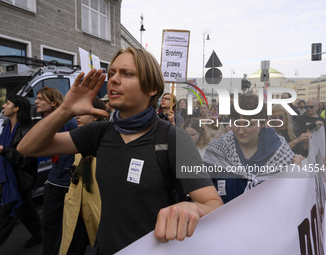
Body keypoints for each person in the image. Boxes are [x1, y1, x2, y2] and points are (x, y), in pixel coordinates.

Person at [17, 47, 223, 255]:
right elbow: (28, 147)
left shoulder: (174, 138)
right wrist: (65, 110)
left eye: (127, 74)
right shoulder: (100, 132)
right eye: (112, 72)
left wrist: (193, 208)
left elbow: (214, 204)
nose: (113, 79)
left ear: (151, 88)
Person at [204, 94, 301, 204]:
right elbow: (203, 193)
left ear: (263, 123)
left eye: (249, 124)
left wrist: (296, 167)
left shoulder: (281, 152)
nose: (240, 131)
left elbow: (291, 195)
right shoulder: (216, 150)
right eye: (236, 123)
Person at [0, 95, 41, 254]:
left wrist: (5, 150)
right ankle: (38, 235)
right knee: (26, 211)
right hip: (13, 179)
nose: (3, 106)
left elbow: (27, 160)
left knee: (4, 220)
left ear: (16, 109)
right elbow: (10, 148)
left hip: (19, 182)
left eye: (7, 103)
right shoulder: (7, 126)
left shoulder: (26, 130)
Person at [59, 97, 106, 255]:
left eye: (82, 112)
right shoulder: (78, 139)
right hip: (77, 208)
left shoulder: (108, 142)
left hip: (98, 210)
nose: (77, 116)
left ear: (96, 116)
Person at [35, 87, 78, 255]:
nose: (36, 101)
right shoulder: (44, 123)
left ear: (53, 103)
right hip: (53, 181)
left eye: (40, 98)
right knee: (48, 224)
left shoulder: (71, 123)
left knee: (70, 228)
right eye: (36, 98)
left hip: (70, 184)